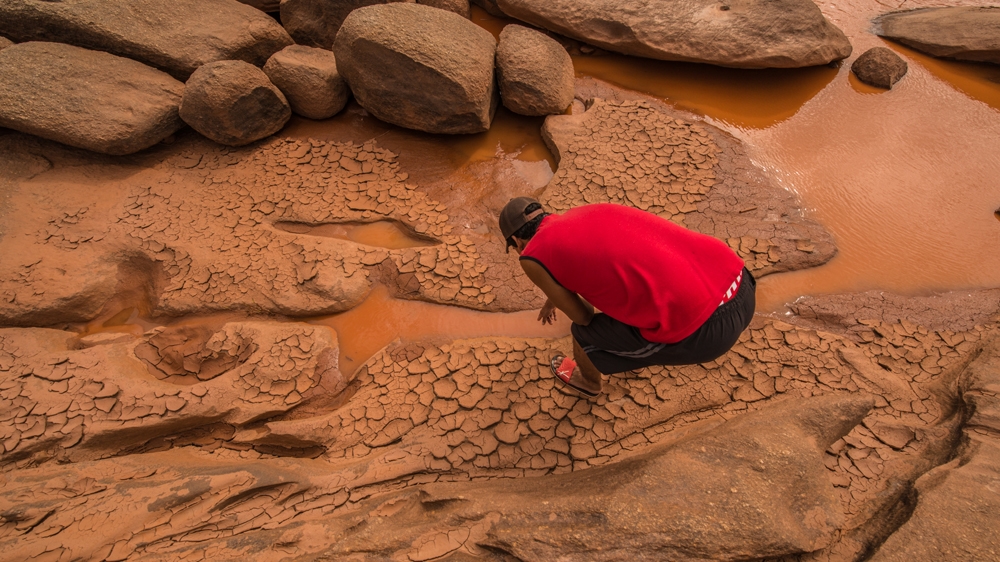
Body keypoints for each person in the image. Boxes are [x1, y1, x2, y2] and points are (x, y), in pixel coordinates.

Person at [499, 197, 755, 397]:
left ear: (515, 240)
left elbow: (584, 316)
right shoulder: (586, 212)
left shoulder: (530, 256)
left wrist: (558, 293)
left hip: (709, 332)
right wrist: (552, 297)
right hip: (741, 284)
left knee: (583, 333)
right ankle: (632, 354)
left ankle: (588, 382)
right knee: (627, 291)